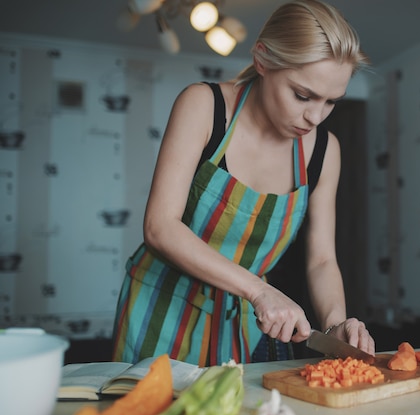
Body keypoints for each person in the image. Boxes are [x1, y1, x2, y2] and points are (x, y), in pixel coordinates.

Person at [111, 0, 375, 366]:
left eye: (331, 102)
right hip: (160, 307)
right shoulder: (204, 106)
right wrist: (259, 290)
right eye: (302, 95)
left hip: (243, 323)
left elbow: (322, 259)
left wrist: (335, 325)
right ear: (263, 60)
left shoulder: (325, 152)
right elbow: (160, 227)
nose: (315, 116)